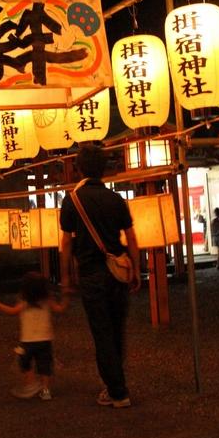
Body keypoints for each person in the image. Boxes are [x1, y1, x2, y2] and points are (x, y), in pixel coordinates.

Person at [59, 144, 140, 409]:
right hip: (118, 271)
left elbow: (66, 244)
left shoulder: (72, 200)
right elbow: (131, 237)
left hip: (91, 275)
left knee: (102, 332)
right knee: (117, 329)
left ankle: (117, 391)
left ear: (79, 167)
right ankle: (116, 383)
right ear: (104, 168)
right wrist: (137, 270)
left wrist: (66, 277)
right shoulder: (116, 200)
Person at [0, 271, 68, 401]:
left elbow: (11, 311)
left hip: (28, 341)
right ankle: (46, 390)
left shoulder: (25, 303)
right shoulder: (47, 301)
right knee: (45, 365)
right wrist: (65, 295)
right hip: (45, 339)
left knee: (24, 362)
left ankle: (31, 384)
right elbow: (60, 308)